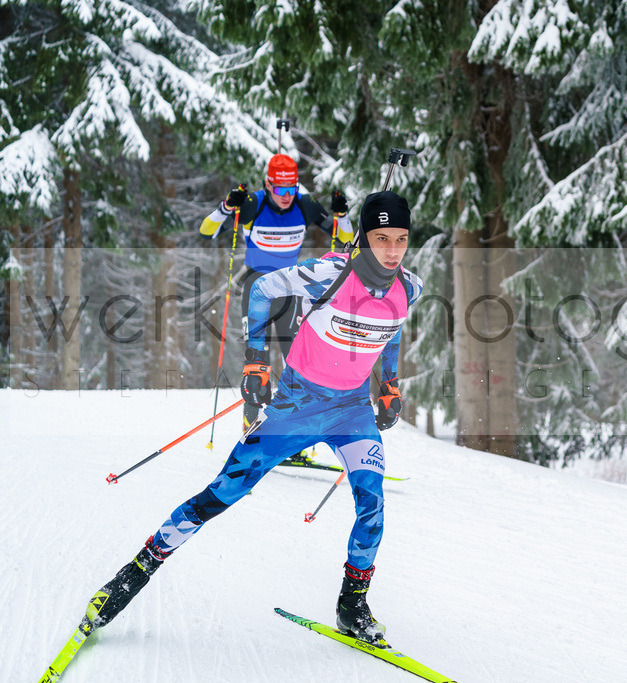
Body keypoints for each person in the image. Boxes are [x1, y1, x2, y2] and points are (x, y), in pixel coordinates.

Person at [84, 191, 421, 643]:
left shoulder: (409, 286)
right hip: (297, 408)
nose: (392, 250)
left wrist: (391, 383)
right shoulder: (330, 274)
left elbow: (392, 329)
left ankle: (352, 605)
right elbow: (262, 289)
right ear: (363, 237)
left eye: (401, 239)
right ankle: (134, 574)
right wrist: (257, 362)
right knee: (223, 492)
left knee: (373, 503)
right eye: (381, 238)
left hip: (351, 411)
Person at [200, 153, 354, 445]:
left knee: (296, 362)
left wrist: (341, 215)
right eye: (280, 189)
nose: (286, 196)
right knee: (257, 363)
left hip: (290, 288)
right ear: (268, 185)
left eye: (292, 189)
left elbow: (344, 238)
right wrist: (226, 207)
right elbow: (206, 231)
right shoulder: (253, 205)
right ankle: (253, 430)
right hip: (257, 286)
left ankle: (289, 435)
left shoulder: (304, 206)